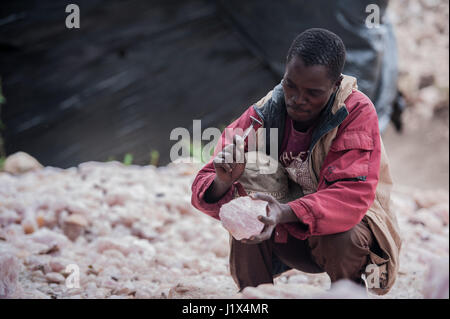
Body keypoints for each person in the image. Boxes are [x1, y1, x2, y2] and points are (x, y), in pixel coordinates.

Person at [191, 28, 402, 296]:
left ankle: (346, 292)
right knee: (249, 210)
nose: (297, 100)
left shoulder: (355, 112)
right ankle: (254, 297)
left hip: (336, 236)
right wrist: (222, 181)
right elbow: (205, 179)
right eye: (290, 85)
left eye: (312, 93)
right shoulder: (266, 112)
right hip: (282, 235)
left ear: (335, 85)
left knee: (343, 235)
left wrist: (283, 212)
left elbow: (350, 198)